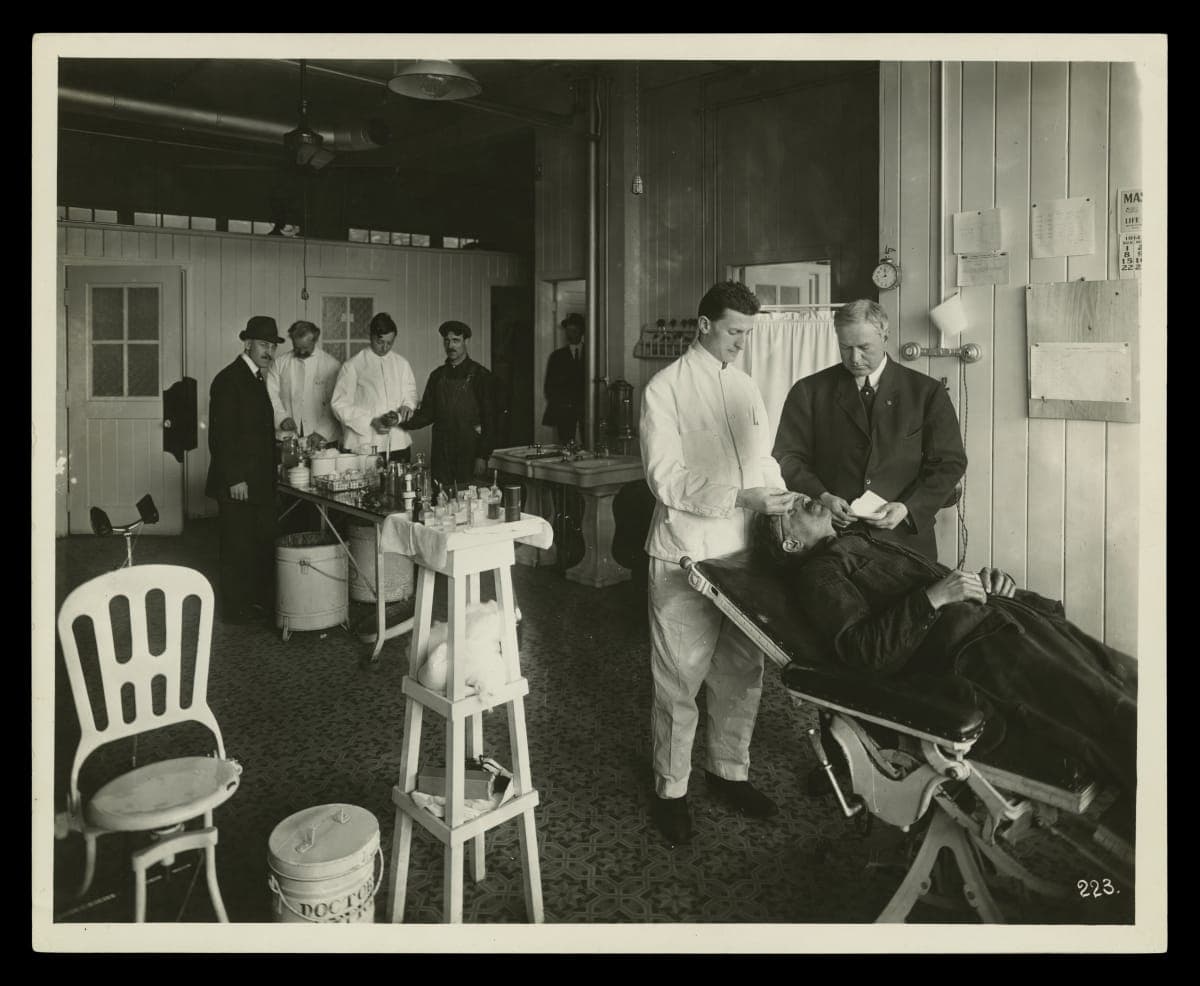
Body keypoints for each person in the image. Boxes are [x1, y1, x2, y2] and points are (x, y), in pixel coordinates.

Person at [751, 498, 1137, 854]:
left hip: (1006, 621)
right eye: (787, 508)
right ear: (789, 544)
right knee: (1114, 712)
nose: (799, 498)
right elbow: (864, 652)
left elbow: (939, 594)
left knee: (1127, 678)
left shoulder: (859, 542)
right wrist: (934, 597)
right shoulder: (820, 573)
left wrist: (987, 587)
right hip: (984, 655)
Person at [640, 280, 798, 845]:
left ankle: (729, 772)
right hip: (686, 556)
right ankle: (672, 788)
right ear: (703, 324)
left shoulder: (748, 388)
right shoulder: (665, 389)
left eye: (748, 334)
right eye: (734, 331)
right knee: (679, 680)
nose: (741, 343)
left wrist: (785, 496)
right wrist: (740, 497)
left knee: (741, 673)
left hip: (742, 556)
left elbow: (762, 464)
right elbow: (666, 478)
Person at [772, 299, 967, 562]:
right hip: (831, 542)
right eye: (845, 348)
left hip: (905, 544)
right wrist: (823, 496)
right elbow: (788, 457)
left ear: (885, 336)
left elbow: (949, 463)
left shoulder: (926, 393)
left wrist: (908, 509)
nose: (855, 358)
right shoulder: (808, 391)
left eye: (864, 348)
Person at [205, 315, 284, 624]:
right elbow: (221, 435)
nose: (269, 352)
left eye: (273, 346)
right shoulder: (229, 379)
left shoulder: (256, 377)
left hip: (259, 480)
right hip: (237, 481)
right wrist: (235, 477)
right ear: (247, 343)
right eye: (263, 345)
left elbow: (255, 429)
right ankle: (236, 610)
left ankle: (253, 602)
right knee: (237, 545)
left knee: (258, 541)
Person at [401, 320, 496, 490]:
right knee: (441, 503)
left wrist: (482, 456)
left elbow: (490, 420)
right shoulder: (437, 376)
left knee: (469, 504)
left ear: (466, 342)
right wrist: (400, 419)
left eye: (456, 340)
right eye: (447, 340)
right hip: (441, 454)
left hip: (469, 453)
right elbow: (427, 414)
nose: (450, 345)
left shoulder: (481, 376)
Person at [331, 312, 419, 463]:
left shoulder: (402, 364)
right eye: (380, 342)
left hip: (398, 442)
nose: (385, 347)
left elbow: (410, 394)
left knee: (399, 485)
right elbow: (339, 404)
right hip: (364, 444)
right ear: (371, 336)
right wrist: (370, 421)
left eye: (390, 343)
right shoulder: (353, 365)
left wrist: (407, 405)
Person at [267, 320, 342, 450]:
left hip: (323, 439)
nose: (301, 352)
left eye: (305, 348)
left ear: (315, 340)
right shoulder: (280, 364)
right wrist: (281, 418)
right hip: (287, 439)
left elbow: (335, 403)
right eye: (297, 348)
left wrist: (321, 432)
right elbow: (270, 395)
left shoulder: (331, 365)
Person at [543, 312, 586, 445]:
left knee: (589, 443)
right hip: (565, 410)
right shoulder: (557, 356)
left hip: (586, 409)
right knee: (566, 445)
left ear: (581, 332)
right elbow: (549, 386)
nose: (570, 335)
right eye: (567, 331)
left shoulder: (592, 354)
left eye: (574, 331)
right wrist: (561, 403)